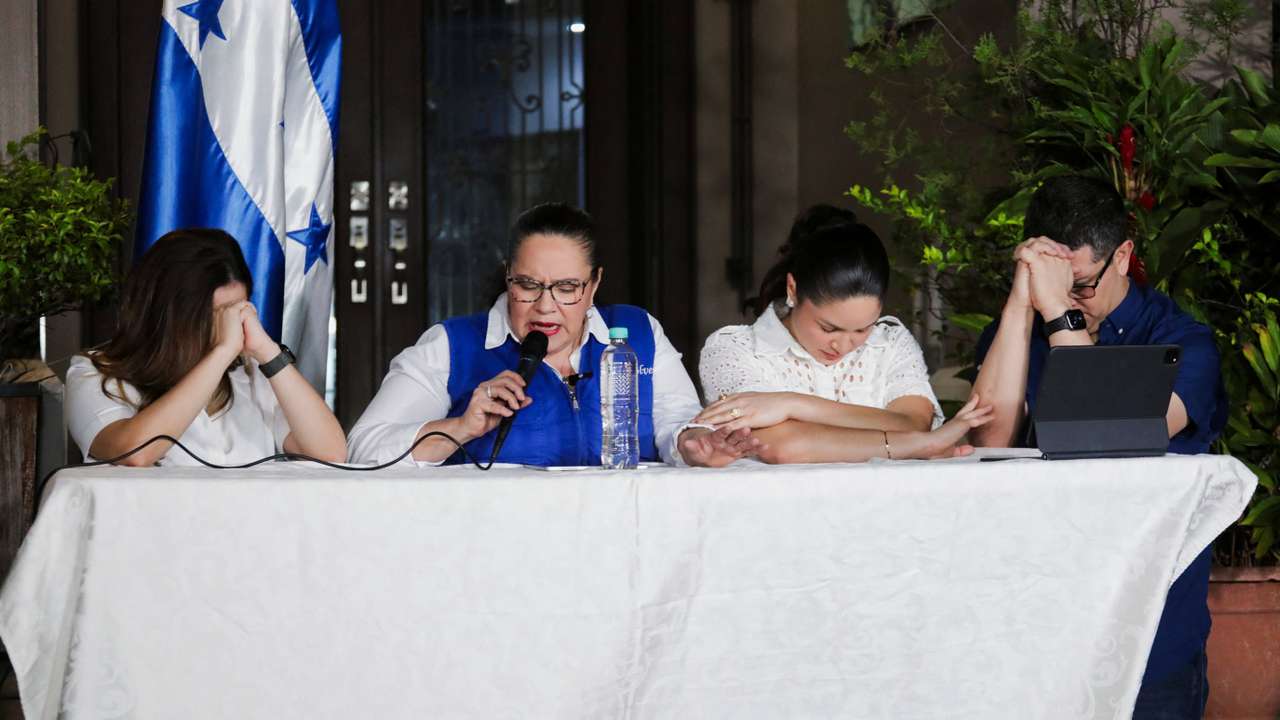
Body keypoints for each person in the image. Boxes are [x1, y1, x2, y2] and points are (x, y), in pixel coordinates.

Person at [971, 175, 1227, 717]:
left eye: (1080, 285)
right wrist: (1022, 305)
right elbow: (989, 438)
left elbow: (1106, 435)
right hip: (1043, 626)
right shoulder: (1026, 325)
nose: (1068, 300)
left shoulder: (1184, 343)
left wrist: (1058, 316)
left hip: (1151, 634)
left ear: (1124, 256)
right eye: (1050, 281)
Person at [347, 202, 753, 467]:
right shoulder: (451, 346)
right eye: (528, 285)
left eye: (566, 288)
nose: (545, 307)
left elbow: (674, 420)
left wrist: (691, 444)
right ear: (508, 276)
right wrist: (459, 428)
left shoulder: (639, 334)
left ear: (594, 284)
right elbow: (364, 450)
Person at [696, 205, 993, 463]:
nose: (844, 344)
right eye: (828, 328)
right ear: (793, 290)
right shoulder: (734, 349)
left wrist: (792, 404)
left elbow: (912, 424)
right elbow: (786, 447)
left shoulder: (890, 341)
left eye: (862, 329)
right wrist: (918, 445)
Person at [65, 228, 347, 467]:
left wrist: (268, 352)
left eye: (239, 309)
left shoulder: (251, 374)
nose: (230, 324)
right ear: (170, 313)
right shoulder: (94, 373)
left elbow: (330, 452)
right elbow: (134, 454)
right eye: (217, 313)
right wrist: (221, 353)